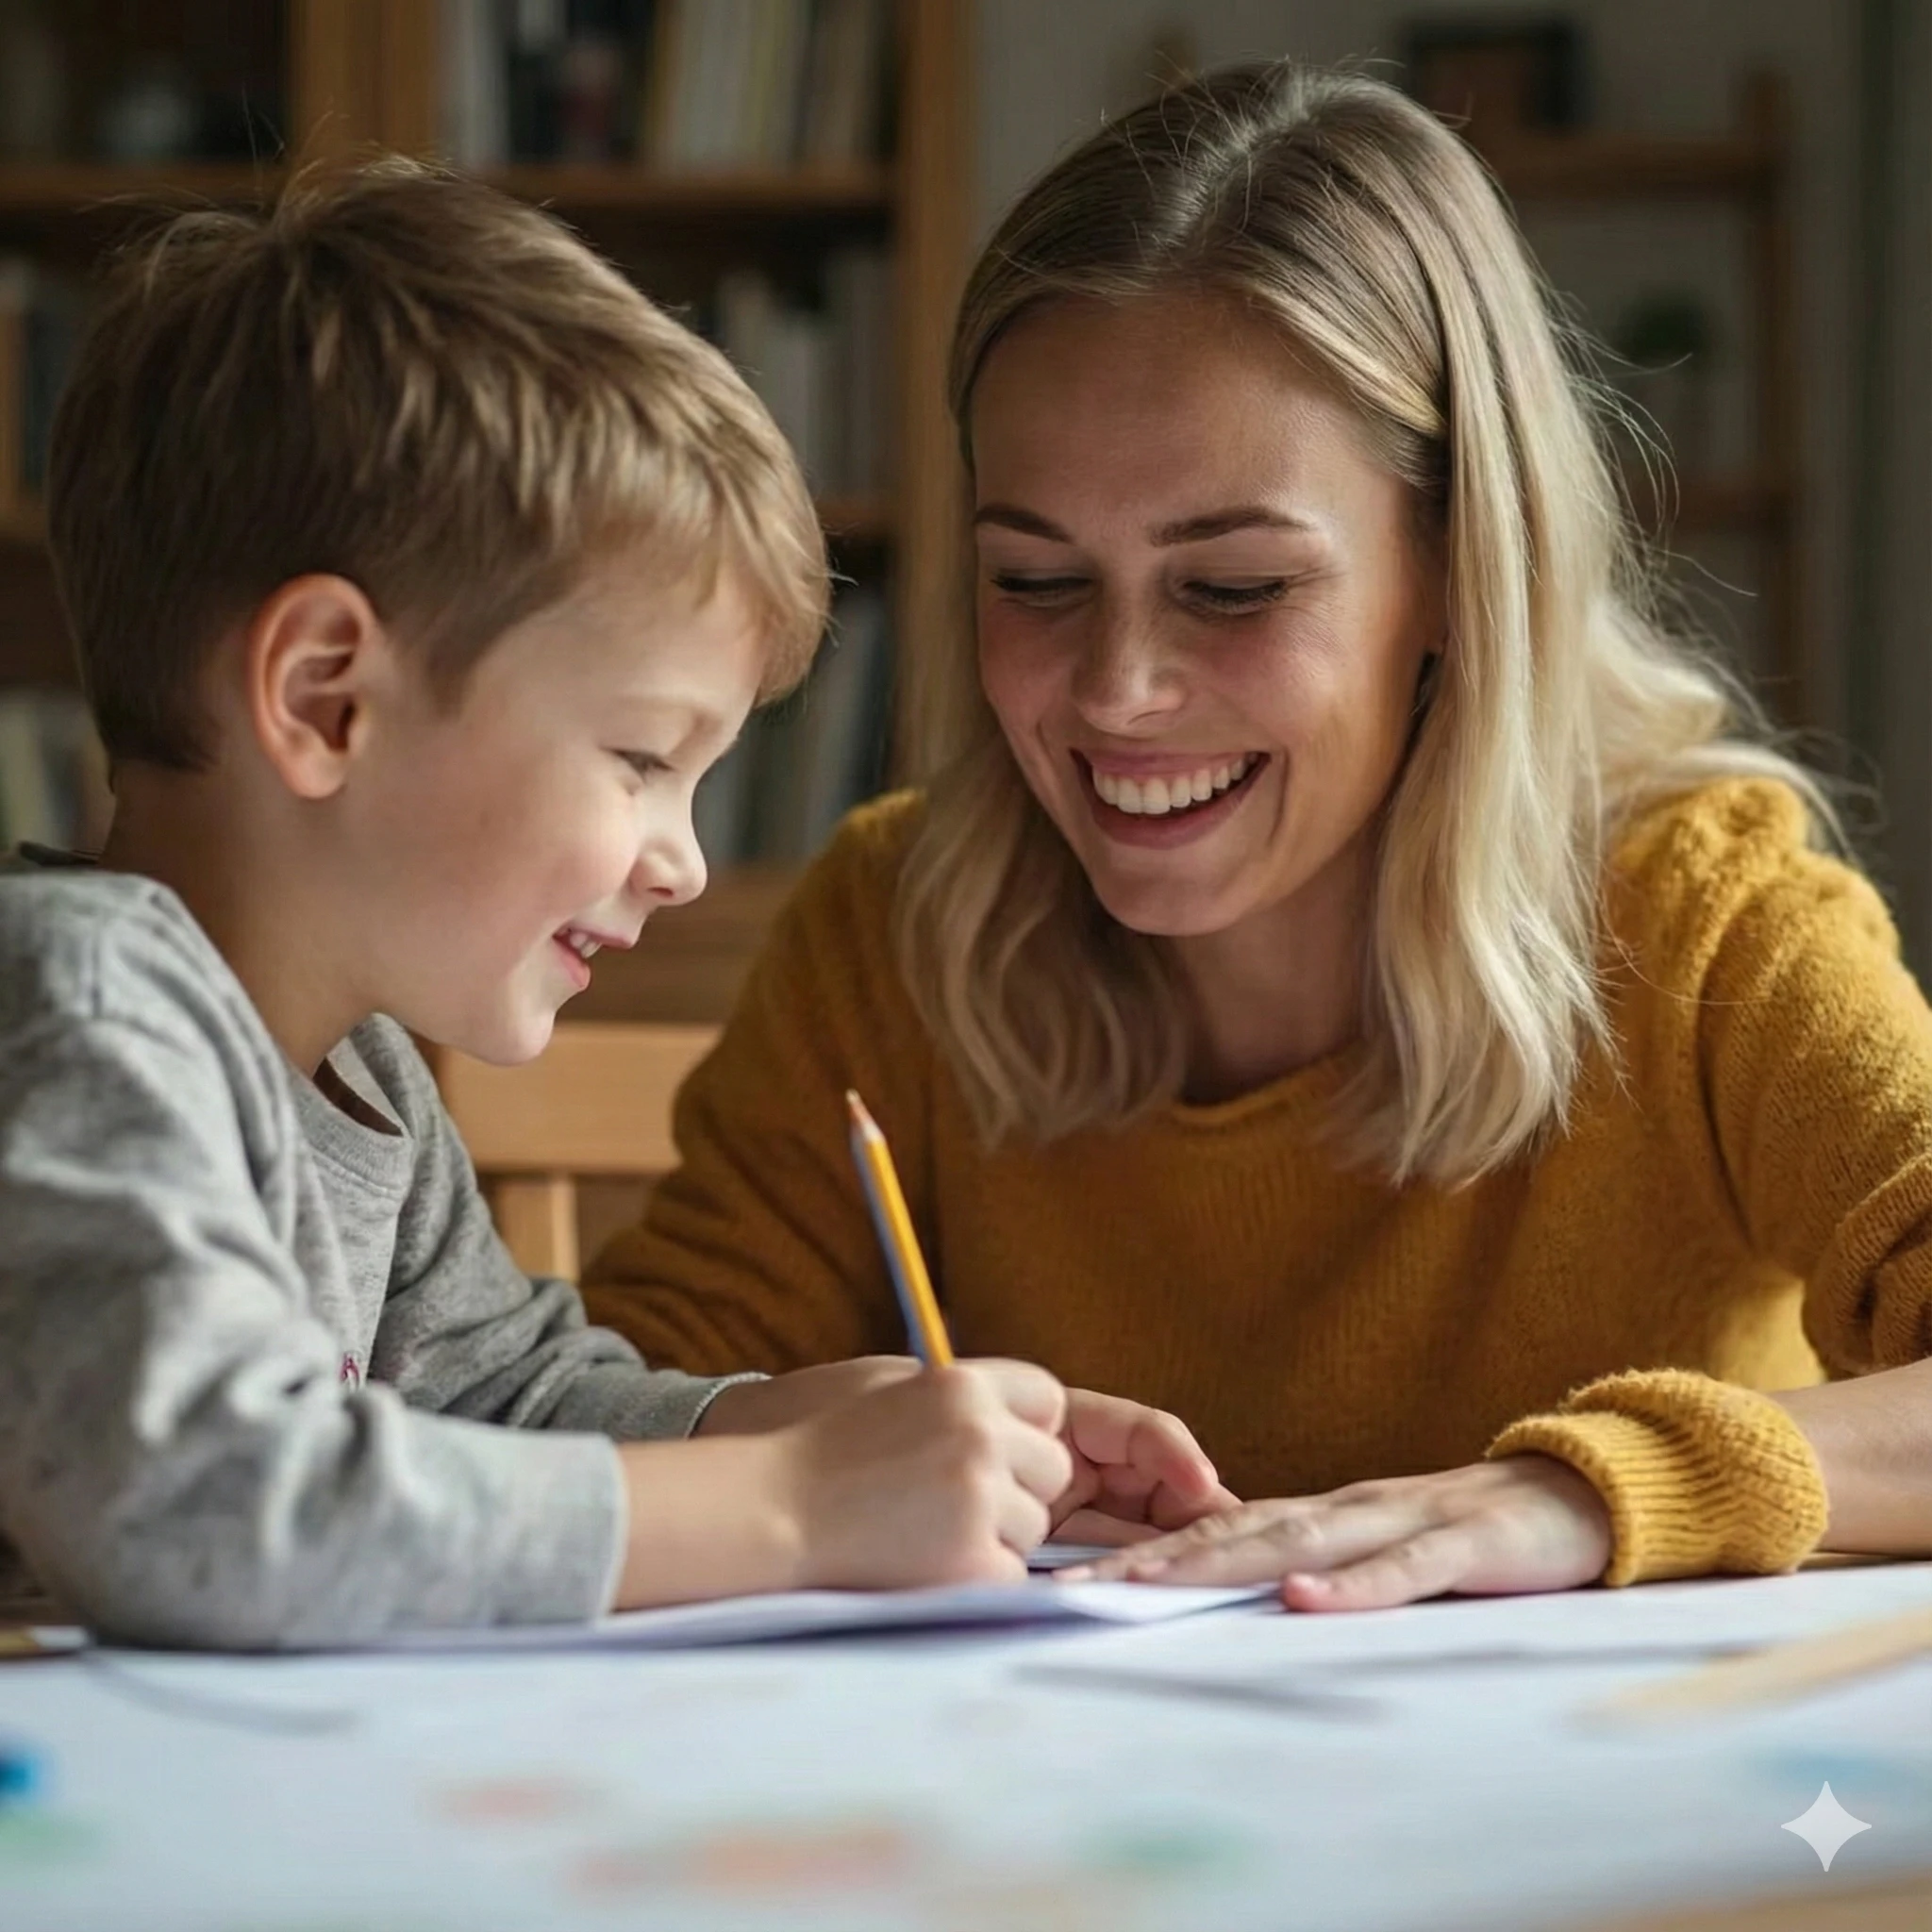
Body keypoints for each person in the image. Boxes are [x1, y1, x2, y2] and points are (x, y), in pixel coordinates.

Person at [586, 61, 1932, 1610]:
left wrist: (1592, 1491)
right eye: (1036, 581)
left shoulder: (1708, 919)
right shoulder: (896, 928)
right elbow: (617, 1418)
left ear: (1451, 571)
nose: (1118, 692)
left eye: (1232, 588)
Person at [0, 161, 1227, 1649]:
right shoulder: (80, 1012)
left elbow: (498, 1401)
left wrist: (771, 1425)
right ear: (327, 697)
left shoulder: (360, 1070)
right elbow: (206, 1507)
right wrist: (794, 1509)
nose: (685, 861)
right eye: (643, 759)